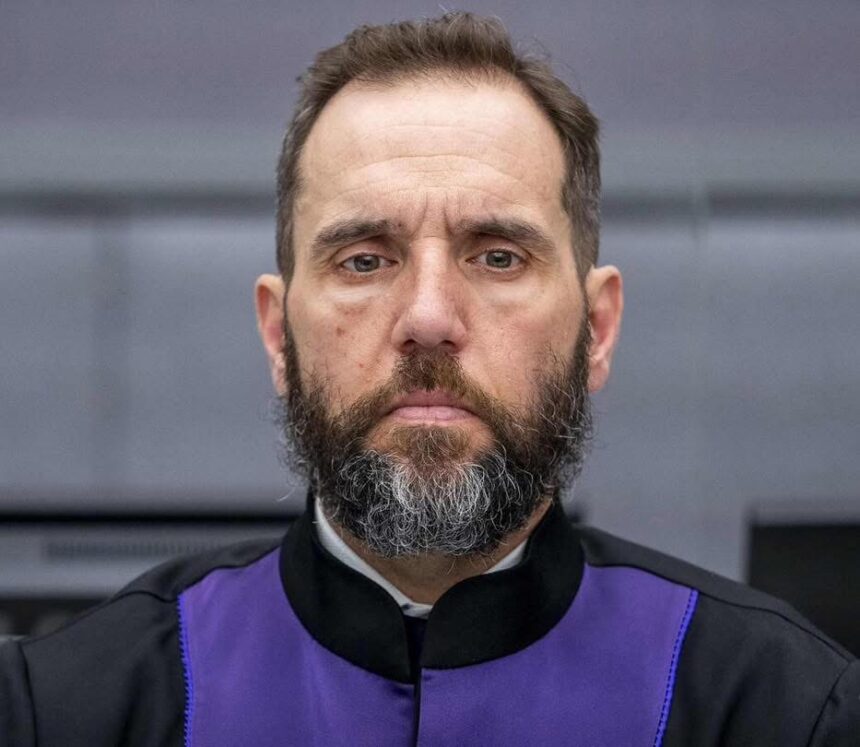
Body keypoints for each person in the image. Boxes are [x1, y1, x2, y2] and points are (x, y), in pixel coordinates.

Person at [1, 12, 858, 746]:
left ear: (596, 329)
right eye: (365, 258)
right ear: (278, 334)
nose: (429, 316)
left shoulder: (782, 708)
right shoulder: (63, 711)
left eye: (498, 255)